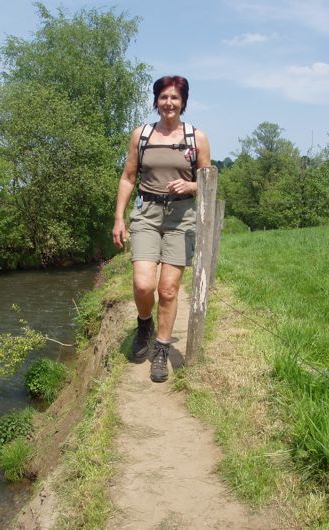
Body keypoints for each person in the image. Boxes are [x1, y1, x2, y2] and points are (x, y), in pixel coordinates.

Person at [112, 75, 211, 383]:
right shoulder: (141, 135)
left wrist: (192, 184)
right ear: (156, 101)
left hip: (181, 217)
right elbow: (128, 177)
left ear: (183, 103)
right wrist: (119, 218)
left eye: (175, 98)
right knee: (143, 285)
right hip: (146, 214)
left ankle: (162, 349)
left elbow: (209, 183)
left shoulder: (197, 138)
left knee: (167, 290)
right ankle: (145, 323)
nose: (169, 103)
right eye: (164, 97)